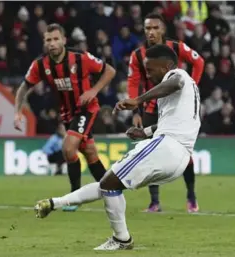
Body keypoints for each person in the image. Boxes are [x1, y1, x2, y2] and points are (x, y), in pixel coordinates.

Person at [34, 44, 201, 250]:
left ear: (167, 66)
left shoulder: (177, 75)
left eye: (150, 69)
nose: (147, 74)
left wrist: (138, 100)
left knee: (110, 183)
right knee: (110, 184)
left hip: (166, 148)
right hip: (179, 157)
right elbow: (177, 122)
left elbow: (174, 82)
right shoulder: (190, 90)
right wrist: (144, 133)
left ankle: (122, 239)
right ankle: (55, 203)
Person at [14, 23, 116, 212]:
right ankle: (112, 190)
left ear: (63, 40)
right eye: (48, 40)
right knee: (90, 152)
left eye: (55, 39)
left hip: (87, 109)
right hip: (68, 114)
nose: (52, 43)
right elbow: (24, 86)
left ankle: (74, 196)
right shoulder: (41, 64)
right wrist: (18, 111)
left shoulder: (80, 58)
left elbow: (109, 71)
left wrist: (93, 91)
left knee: (68, 148)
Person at [127, 13, 205, 213]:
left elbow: (199, 62)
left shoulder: (176, 47)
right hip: (151, 108)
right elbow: (133, 82)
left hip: (176, 108)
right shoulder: (137, 55)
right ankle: (154, 202)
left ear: (163, 30)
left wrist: (192, 86)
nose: (151, 32)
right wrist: (136, 110)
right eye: (147, 28)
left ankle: (191, 195)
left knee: (185, 154)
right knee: (149, 151)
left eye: (155, 28)